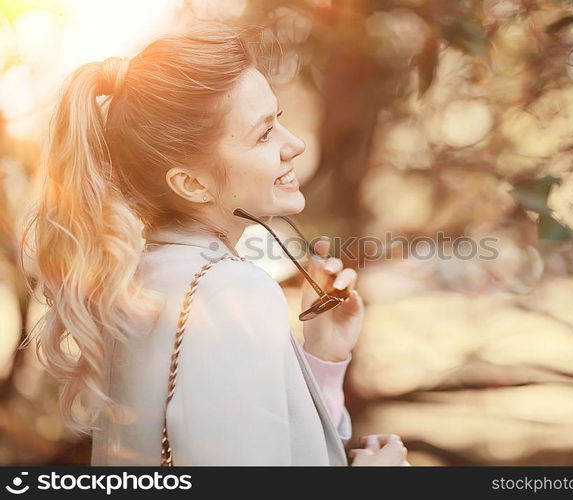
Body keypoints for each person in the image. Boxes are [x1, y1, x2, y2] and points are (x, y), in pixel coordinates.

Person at [20, 21, 409, 466]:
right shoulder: (232, 292)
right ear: (191, 183)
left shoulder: (139, 280)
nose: (295, 144)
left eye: (278, 120)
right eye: (264, 134)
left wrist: (322, 357)